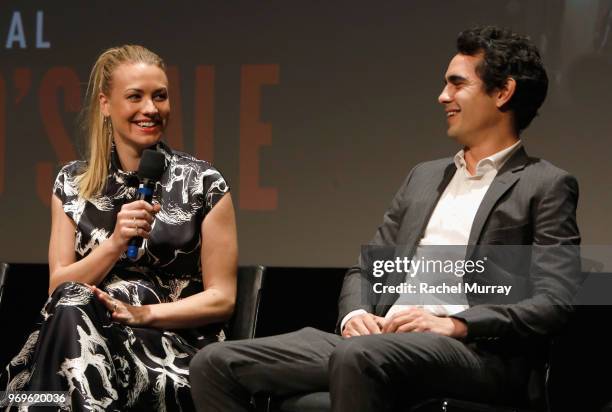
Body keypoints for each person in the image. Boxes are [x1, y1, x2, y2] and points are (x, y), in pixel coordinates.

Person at [189, 26, 581, 411]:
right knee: (215, 364)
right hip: (377, 341)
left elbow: (554, 302)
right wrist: (356, 315)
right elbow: (366, 269)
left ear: (502, 92)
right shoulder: (424, 177)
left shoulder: (544, 184)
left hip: (475, 354)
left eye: (457, 84)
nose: (443, 96)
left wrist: (459, 323)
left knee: (359, 357)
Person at [1, 45, 237, 411]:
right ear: (106, 104)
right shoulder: (72, 184)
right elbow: (56, 286)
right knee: (71, 302)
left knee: (41, 395)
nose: (151, 109)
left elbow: (222, 298)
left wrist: (142, 314)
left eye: (160, 96)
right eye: (135, 97)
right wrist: (113, 244)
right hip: (81, 338)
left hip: (171, 349)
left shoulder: (204, 183)